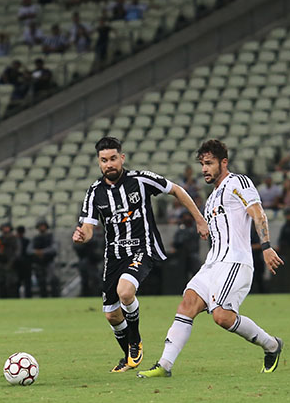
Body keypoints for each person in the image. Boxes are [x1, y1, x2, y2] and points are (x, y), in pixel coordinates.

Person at [137, 139, 284, 379]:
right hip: (213, 263)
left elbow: (258, 213)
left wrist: (266, 246)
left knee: (222, 317)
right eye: (202, 164)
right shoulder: (213, 197)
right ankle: (165, 364)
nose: (204, 169)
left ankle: (271, 345)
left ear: (223, 162)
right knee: (187, 304)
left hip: (235, 262)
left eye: (209, 163)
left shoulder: (238, 182)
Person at [73, 136, 208, 373]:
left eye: (113, 158)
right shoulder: (95, 192)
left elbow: (176, 190)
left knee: (125, 292)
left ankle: (135, 343)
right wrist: (82, 235)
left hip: (142, 249)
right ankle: (128, 356)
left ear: (122, 158)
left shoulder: (141, 180)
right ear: (98, 162)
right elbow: (88, 228)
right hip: (114, 256)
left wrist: (199, 219)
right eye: (104, 160)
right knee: (112, 316)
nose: (109, 164)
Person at [30, 219, 59, 297]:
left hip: (49, 261)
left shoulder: (51, 237)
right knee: (41, 281)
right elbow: (29, 250)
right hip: (39, 262)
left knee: (53, 280)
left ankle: (55, 297)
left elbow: (54, 249)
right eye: (40, 226)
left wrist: (42, 252)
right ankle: (44, 297)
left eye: (43, 226)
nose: (42, 228)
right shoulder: (36, 238)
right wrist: (36, 252)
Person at [171, 210, 201, 285]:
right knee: (182, 275)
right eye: (184, 217)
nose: (186, 218)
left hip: (193, 253)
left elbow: (194, 237)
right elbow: (177, 241)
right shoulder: (180, 229)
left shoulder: (195, 228)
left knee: (196, 273)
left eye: (188, 216)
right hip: (182, 255)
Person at [0, 222, 19, 298]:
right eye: (4, 227)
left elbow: (17, 251)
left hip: (11, 263)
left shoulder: (14, 238)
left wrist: (11, 262)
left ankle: (13, 298)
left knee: (12, 283)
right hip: (0, 263)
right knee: (1, 282)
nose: (5, 229)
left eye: (7, 227)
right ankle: (2, 298)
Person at [15, 225, 32, 298]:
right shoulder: (26, 241)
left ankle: (18, 297)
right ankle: (27, 297)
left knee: (20, 283)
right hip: (23, 264)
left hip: (20, 264)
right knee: (24, 283)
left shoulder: (16, 241)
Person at [249, 226, 266, 294]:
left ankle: (262, 293)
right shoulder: (249, 230)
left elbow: (262, 244)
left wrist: (251, 247)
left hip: (258, 258)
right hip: (250, 258)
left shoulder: (259, 231)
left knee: (259, 278)